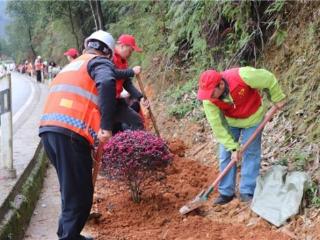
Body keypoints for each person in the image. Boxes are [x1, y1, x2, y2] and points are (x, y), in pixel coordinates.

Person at [39, 30, 141, 240]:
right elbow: (106, 82)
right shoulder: (99, 62)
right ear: (107, 51)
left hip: (49, 130)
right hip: (71, 133)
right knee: (82, 193)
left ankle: (68, 233)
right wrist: (105, 126)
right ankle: (69, 236)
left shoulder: (73, 65)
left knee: (70, 188)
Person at [197, 67, 286, 205]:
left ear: (220, 84)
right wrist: (233, 148)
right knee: (225, 154)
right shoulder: (209, 100)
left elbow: (268, 79)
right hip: (231, 122)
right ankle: (226, 193)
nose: (208, 96)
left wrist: (277, 97)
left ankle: (247, 191)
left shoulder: (242, 76)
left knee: (251, 153)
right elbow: (218, 126)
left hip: (253, 118)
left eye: (211, 92)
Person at [112, 34, 147, 133]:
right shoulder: (110, 57)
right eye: (130, 51)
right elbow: (111, 73)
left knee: (137, 121)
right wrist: (131, 71)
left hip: (117, 101)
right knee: (114, 131)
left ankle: (138, 147)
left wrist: (140, 98)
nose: (130, 54)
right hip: (106, 102)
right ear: (122, 46)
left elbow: (127, 84)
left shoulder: (123, 62)